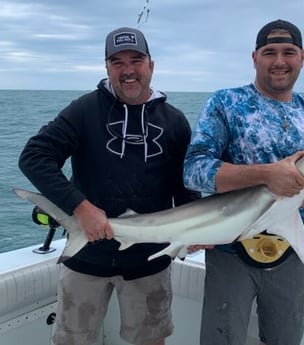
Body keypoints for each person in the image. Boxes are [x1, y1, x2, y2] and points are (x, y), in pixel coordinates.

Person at [18, 27, 200, 345]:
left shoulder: (175, 121)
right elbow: (34, 157)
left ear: (151, 65)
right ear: (106, 68)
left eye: (136, 60)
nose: (128, 70)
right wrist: (80, 207)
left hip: (150, 259)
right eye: (117, 62)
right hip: (86, 256)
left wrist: (195, 229)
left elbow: (184, 189)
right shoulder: (84, 110)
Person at [183, 19, 304, 345]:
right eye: (270, 52)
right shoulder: (226, 104)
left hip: (294, 253)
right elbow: (194, 170)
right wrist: (267, 175)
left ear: (303, 56)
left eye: (289, 52)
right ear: (255, 57)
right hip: (230, 251)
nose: (280, 61)